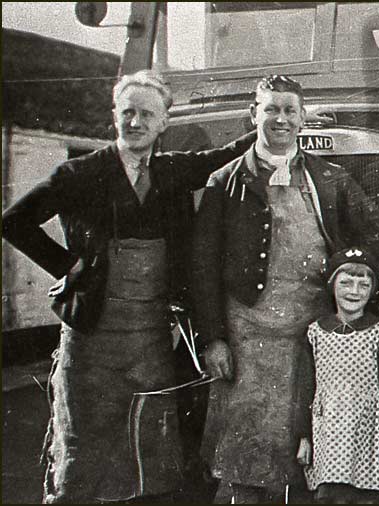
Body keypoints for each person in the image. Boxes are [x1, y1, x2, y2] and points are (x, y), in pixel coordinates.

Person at [0, 70, 256, 503]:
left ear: (163, 124)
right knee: (82, 457)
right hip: (91, 343)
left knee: (151, 456)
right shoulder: (79, 173)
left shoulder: (173, 172)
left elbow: (224, 156)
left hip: (150, 343)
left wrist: (266, 122)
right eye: (127, 112)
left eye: (146, 115)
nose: (135, 122)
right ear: (114, 117)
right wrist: (69, 266)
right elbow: (13, 222)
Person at [191, 75, 379, 504]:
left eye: (289, 110)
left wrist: (348, 274)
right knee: (246, 459)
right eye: (271, 109)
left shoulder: (330, 178)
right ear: (254, 116)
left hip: (314, 334)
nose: (280, 119)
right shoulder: (223, 182)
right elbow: (202, 267)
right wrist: (212, 339)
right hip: (249, 338)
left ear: (302, 118)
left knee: (313, 451)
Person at [295, 246, 379, 504]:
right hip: (328, 435)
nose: (354, 292)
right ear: (332, 286)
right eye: (346, 283)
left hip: (368, 435)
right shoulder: (315, 333)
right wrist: (304, 437)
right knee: (333, 497)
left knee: (366, 497)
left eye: (363, 285)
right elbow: (305, 388)